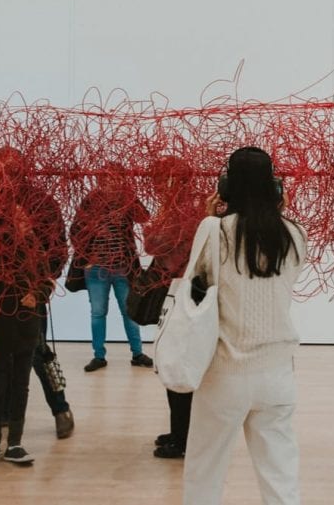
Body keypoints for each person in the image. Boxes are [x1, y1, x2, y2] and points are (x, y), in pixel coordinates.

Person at [182, 147, 306, 505]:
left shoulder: (214, 230)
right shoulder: (295, 235)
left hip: (225, 371)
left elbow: (196, 281)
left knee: (205, 472)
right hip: (278, 374)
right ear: (274, 187)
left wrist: (208, 219)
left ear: (227, 186)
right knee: (281, 476)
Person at [0, 147, 71, 464]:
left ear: (23, 171)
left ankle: (61, 408)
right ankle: (4, 416)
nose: (4, 177)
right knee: (0, 361)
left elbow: (56, 247)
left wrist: (42, 288)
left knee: (36, 352)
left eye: (10, 171)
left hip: (28, 295)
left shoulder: (42, 204)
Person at [143, 156, 207, 459]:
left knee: (177, 363)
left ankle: (183, 438)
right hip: (176, 295)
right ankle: (179, 431)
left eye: (160, 179)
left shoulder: (184, 211)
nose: (155, 186)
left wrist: (155, 228)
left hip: (182, 297)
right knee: (172, 362)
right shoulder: (182, 208)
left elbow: (156, 245)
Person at [70, 164, 153, 372]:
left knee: (129, 311)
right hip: (97, 268)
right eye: (106, 179)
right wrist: (87, 257)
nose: (111, 183)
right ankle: (99, 356)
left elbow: (144, 216)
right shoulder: (90, 200)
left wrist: (130, 196)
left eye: (116, 178)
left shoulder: (126, 199)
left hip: (122, 267)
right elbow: (75, 230)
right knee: (98, 312)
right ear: (99, 180)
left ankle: (137, 353)